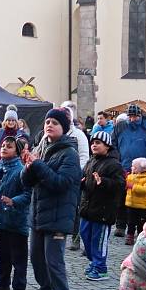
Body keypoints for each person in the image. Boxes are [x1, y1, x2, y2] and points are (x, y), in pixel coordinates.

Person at [21, 108, 82, 290]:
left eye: (55, 122)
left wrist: (37, 165)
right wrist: (29, 166)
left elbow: (61, 183)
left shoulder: (70, 154)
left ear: (64, 128)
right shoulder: (41, 148)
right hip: (38, 213)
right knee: (36, 257)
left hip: (59, 215)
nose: (49, 125)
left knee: (53, 260)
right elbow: (26, 182)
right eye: (47, 121)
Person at [0, 136, 31, 290]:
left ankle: (19, 287)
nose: (5, 148)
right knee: (2, 254)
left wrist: (14, 201)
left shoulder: (21, 170)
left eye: (10, 146)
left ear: (17, 151)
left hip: (17, 219)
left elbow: (28, 193)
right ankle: (3, 284)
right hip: (0, 219)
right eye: (3, 145)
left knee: (18, 256)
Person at [79, 130, 125, 281]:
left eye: (98, 143)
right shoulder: (90, 161)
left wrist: (103, 182)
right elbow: (85, 178)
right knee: (85, 236)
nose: (94, 145)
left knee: (98, 240)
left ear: (107, 146)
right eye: (92, 142)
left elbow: (120, 185)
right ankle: (94, 262)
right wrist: (82, 183)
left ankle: (100, 268)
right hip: (87, 209)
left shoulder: (114, 164)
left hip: (103, 211)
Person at [112, 103, 146, 237]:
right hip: (123, 167)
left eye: (136, 116)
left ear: (140, 116)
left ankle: (141, 227)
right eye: (131, 116)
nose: (133, 119)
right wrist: (116, 162)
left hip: (142, 169)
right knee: (121, 197)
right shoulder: (120, 126)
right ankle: (120, 224)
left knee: (140, 198)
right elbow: (113, 143)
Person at [61, 101, 91, 251]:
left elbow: (84, 156)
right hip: (58, 179)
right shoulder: (54, 133)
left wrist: (77, 174)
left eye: (66, 115)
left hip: (75, 178)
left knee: (76, 208)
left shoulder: (78, 135)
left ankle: (76, 238)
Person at [124, 157, 146, 245]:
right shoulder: (131, 176)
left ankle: (142, 237)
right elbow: (126, 182)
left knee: (142, 223)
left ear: (141, 169)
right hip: (131, 204)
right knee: (130, 222)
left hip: (142, 206)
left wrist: (133, 186)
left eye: (134, 167)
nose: (132, 168)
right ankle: (130, 236)